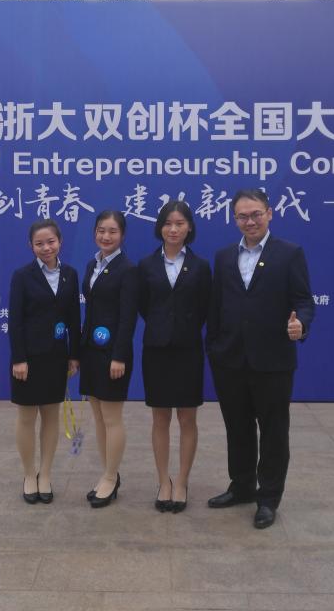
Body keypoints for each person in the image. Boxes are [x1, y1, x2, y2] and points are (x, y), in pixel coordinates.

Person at [205, 188, 314, 529]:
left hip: (273, 360)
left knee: (273, 431)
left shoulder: (290, 253)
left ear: (269, 213)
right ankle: (241, 486)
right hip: (230, 359)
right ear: (234, 219)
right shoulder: (224, 256)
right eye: (242, 216)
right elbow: (217, 306)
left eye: (255, 214)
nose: (249, 221)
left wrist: (301, 324)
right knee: (237, 428)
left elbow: (304, 301)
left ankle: (268, 498)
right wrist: (214, 347)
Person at [137, 200, 211, 513]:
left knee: (187, 418)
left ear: (189, 227)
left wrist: (182, 327)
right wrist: (162, 326)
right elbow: (144, 306)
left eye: (180, 223)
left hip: (188, 350)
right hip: (156, 350)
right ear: (160, 227)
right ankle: (163, 481)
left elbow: (206, 308)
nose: (173, 229)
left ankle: (181, 481)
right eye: (168, 223)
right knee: (160, 418)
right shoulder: (146, 265)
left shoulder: (201, 266)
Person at [8, 218, 81, 504]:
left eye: (50, 241)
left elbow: (74, 317)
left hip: (56, 357)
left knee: (51, 416)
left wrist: (74, 354)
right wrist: (19, 359)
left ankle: (46, 474)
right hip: (27, 360)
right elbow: (15, 321)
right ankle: (29, 474)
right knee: (27, 417)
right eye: (39, 243)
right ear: (31, 246)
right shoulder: (22, 276)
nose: (46, 247)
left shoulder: (70, 275)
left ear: (59, 241)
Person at [80, 210, 137, 508]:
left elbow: (128, 319)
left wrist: (119, 356)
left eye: (112, 231)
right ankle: (107, 473)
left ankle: (111, 477)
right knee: (99, 417)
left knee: (112, 418)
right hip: (91, 352)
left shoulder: (128, 270)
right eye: (101, 230)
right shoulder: (93, 264)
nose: (106, 236)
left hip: (113, 355)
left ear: (122, 235)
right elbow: (90, 311)